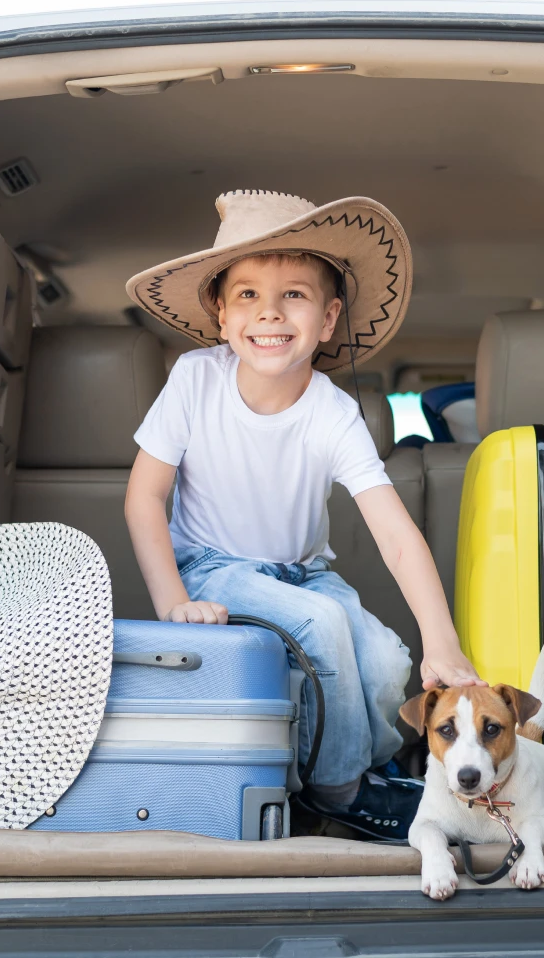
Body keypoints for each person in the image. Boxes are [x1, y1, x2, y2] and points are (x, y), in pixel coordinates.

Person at [123, 190, 483, 837]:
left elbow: (396, 535)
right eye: (247, 296)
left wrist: (443, 642)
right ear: (221, 314)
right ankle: (340, 792)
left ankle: (359, 770)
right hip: (211, 567)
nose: (269, 313)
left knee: (384, 661)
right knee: (321, 626)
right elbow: (145, 496)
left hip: (304, 572)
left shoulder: (332, 412)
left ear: (328, 317)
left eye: (294, 294)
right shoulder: (193, 381)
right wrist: (174, 601)